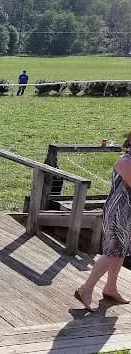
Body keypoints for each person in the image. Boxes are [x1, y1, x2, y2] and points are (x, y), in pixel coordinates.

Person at [75, 131, 131, 311]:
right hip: (118, 212)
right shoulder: (125, 162)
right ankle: (86, 288)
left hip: (128, 213)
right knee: (112, 252)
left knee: (120, 251)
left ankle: (110, 288)